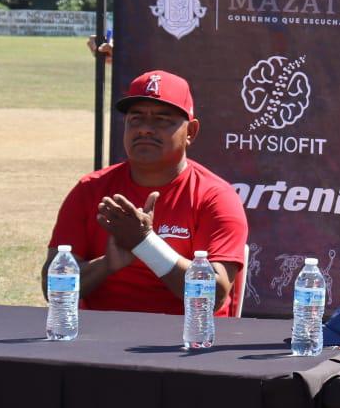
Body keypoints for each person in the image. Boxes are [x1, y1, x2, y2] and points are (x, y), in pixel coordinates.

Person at [44, 70, 249, 315]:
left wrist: (146, 245)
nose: (145, 129)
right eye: (136, 118)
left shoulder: (215, 197)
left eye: (162, 119)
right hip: (98, 337)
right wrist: (107, 264)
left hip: (185, 341)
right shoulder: (90, 189)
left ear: (191, 132)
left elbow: (213, 295)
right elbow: (51, 287)